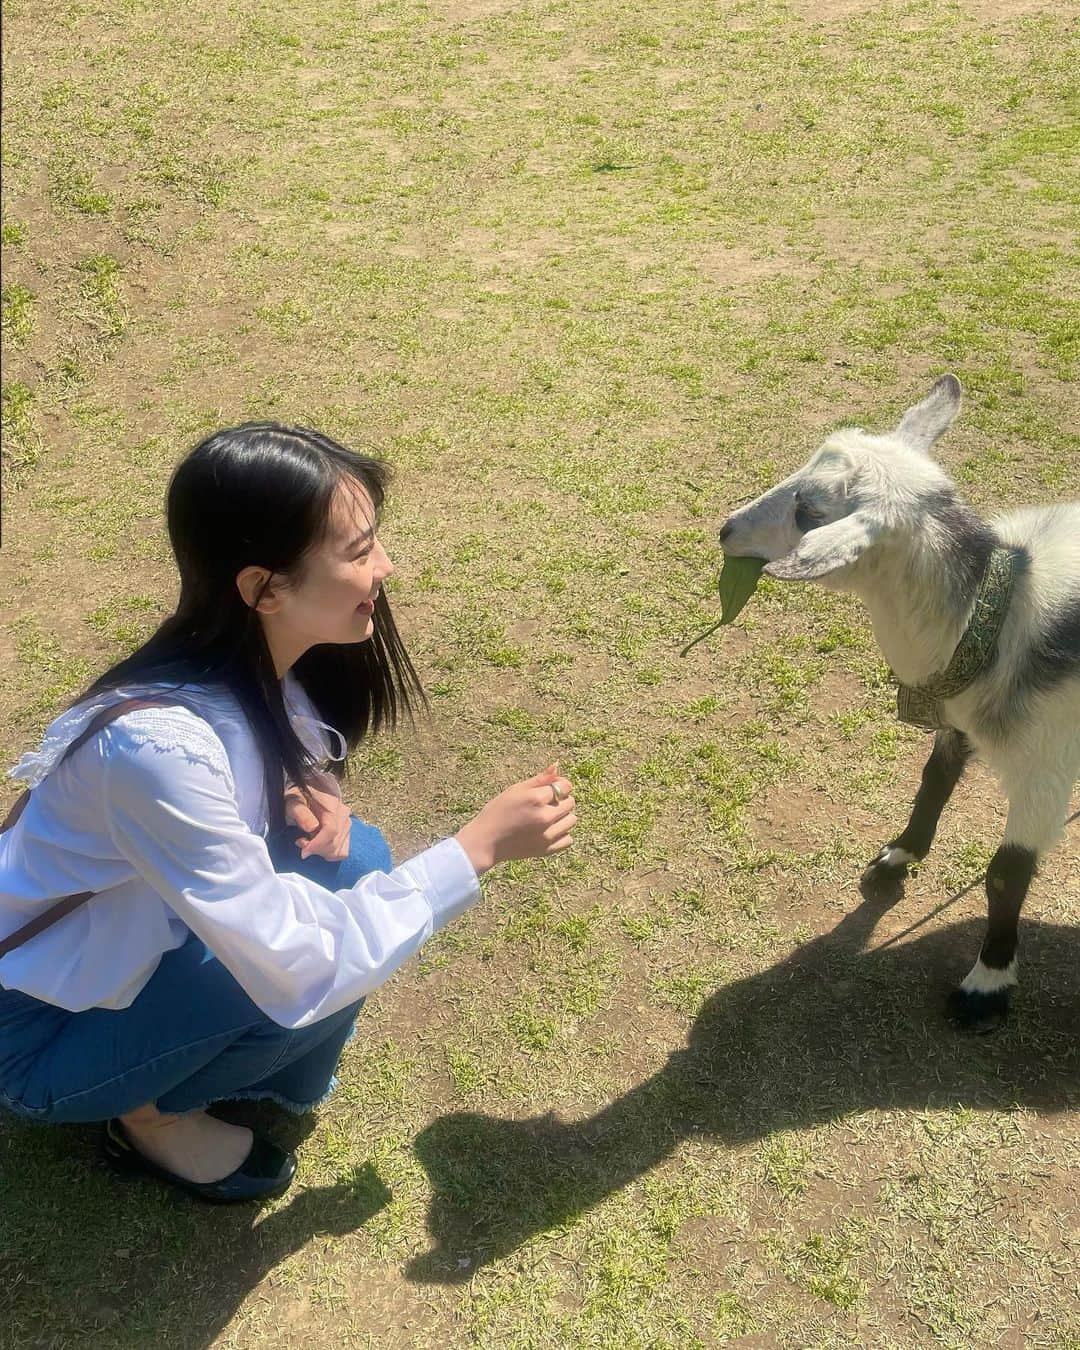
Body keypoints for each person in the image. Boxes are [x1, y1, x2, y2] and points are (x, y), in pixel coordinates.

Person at [0, 424, 576, 1203]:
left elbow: (260, 769)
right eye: (359, 551)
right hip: (33, 1037)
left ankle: (252, 1077)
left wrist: (303, 785)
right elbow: (294, 962)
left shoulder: (251, 672)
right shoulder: (157, 749)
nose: (386, 567)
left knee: (358, 858)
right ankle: (147, 1117)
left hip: (130, 948)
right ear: (263, 589)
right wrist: (473, 850)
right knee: (283, 960)